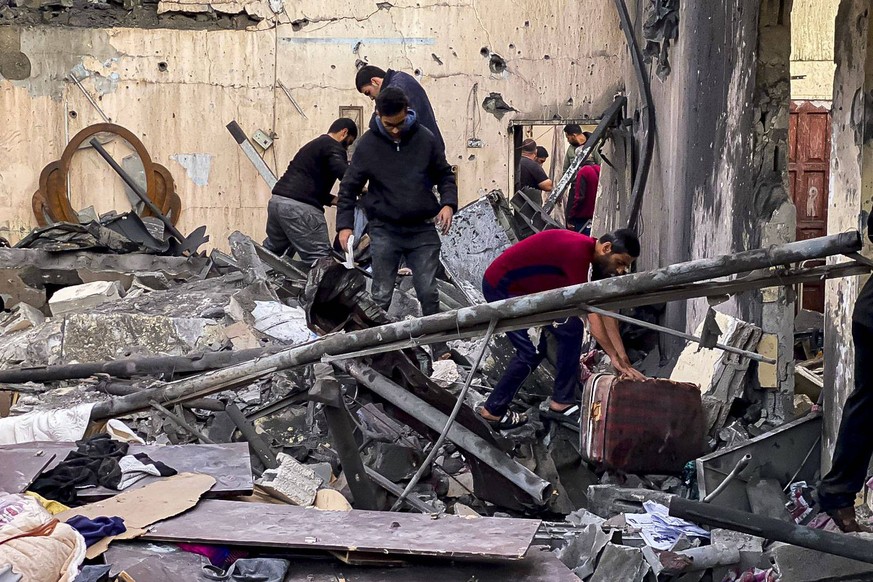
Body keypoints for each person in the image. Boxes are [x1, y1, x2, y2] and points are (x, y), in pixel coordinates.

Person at [478, 228, 646, 429]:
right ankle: (492, 411)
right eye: (620, 263)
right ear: (607, 248)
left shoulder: (594, 259)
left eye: (625, 267)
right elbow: (592, 317)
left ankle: (561, 401)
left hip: (531, 291)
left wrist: (622, 360)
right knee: (531, 350)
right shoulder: (577, 254)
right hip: (503, 288)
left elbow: (603, 309)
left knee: (571, 328)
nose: (620, 271)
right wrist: (614, 359)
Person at [336, 87, 457, 359]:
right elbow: (349, 187)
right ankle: (370, 348)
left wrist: (448, 203)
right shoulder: (367, 145)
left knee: (428, 291)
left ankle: (439, 347)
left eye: (400, 123)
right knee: (380, 293)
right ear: (378, 115)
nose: (395, 130)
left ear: (408, 112)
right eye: (389, 125)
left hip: (422, 229)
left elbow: (445, 175)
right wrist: (344, 225)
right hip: (385, 229)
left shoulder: (425, 139)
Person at [817, 213, 873, 532]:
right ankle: (837, 494)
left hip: (868, 314)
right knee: (866, 407)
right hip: (872, 317)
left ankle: (837, 493)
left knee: (865, 406)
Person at [264, 118, 358, 263]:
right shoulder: (333, 146)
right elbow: (345, 174)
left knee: (271, 255)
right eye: (349, 142)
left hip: (277, 203)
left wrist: (334, 200)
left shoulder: (313, 145)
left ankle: (247, 281)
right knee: (321, 261)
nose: (347, 147)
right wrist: (362, 188)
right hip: (299, 210)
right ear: (344, 133)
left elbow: (307, 183)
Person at [354, 65, 445, 152]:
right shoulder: (402, 78)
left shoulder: (396, 87)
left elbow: (375, 124)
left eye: (368, 92)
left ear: (375, 81)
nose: (371, 97)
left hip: (425, 153)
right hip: (429, 148)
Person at [566, 159, 600, 235]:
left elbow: (579, 197)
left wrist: (570, 216)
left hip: (581, 218)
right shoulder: (599, 169)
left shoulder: (583, 171)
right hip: (596, 216)